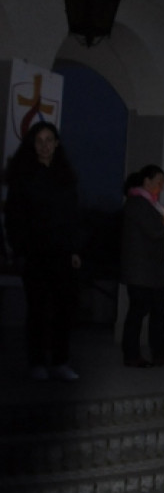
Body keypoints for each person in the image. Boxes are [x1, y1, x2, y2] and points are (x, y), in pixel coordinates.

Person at [4, 121, 82, 381]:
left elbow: (73, 216)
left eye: (49, 140)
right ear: (33, 144)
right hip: (35, 252)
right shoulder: (24, 176)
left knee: (63, 310)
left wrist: (74, 249)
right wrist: (20, 250)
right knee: (37, 309)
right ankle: (36, 362)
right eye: (40, 140)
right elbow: (14, 217)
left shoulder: (65, 175)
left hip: (62, 253)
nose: (45, 145)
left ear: (57, 143)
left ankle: (60, 361)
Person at [119, 165, 164, 368]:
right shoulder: (138, 203)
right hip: (141, 270)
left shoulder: (150, 204)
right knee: (139, 310)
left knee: (158, 308)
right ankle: (132, 354)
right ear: (146, 182)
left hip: (151, 270)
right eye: (159, 182)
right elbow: (154, 231)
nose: (162, 186)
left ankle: (159, 352)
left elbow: (155, 230)